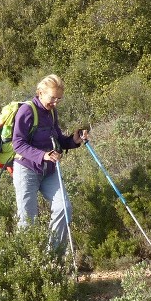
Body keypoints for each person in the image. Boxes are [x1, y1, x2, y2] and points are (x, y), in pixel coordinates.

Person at [11, 74, 88, 252]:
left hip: (49, 171)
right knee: (28, 220)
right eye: (52, 97)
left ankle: (53, 258)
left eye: (59, 99)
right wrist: (43, 155)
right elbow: (18, 143)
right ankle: (27, 264)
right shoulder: (27, 111)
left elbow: (58, 139)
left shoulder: (52, 112)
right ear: (40, 93)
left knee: (64, 208)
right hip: (27, 170)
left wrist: (74, 141)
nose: (55, 102)